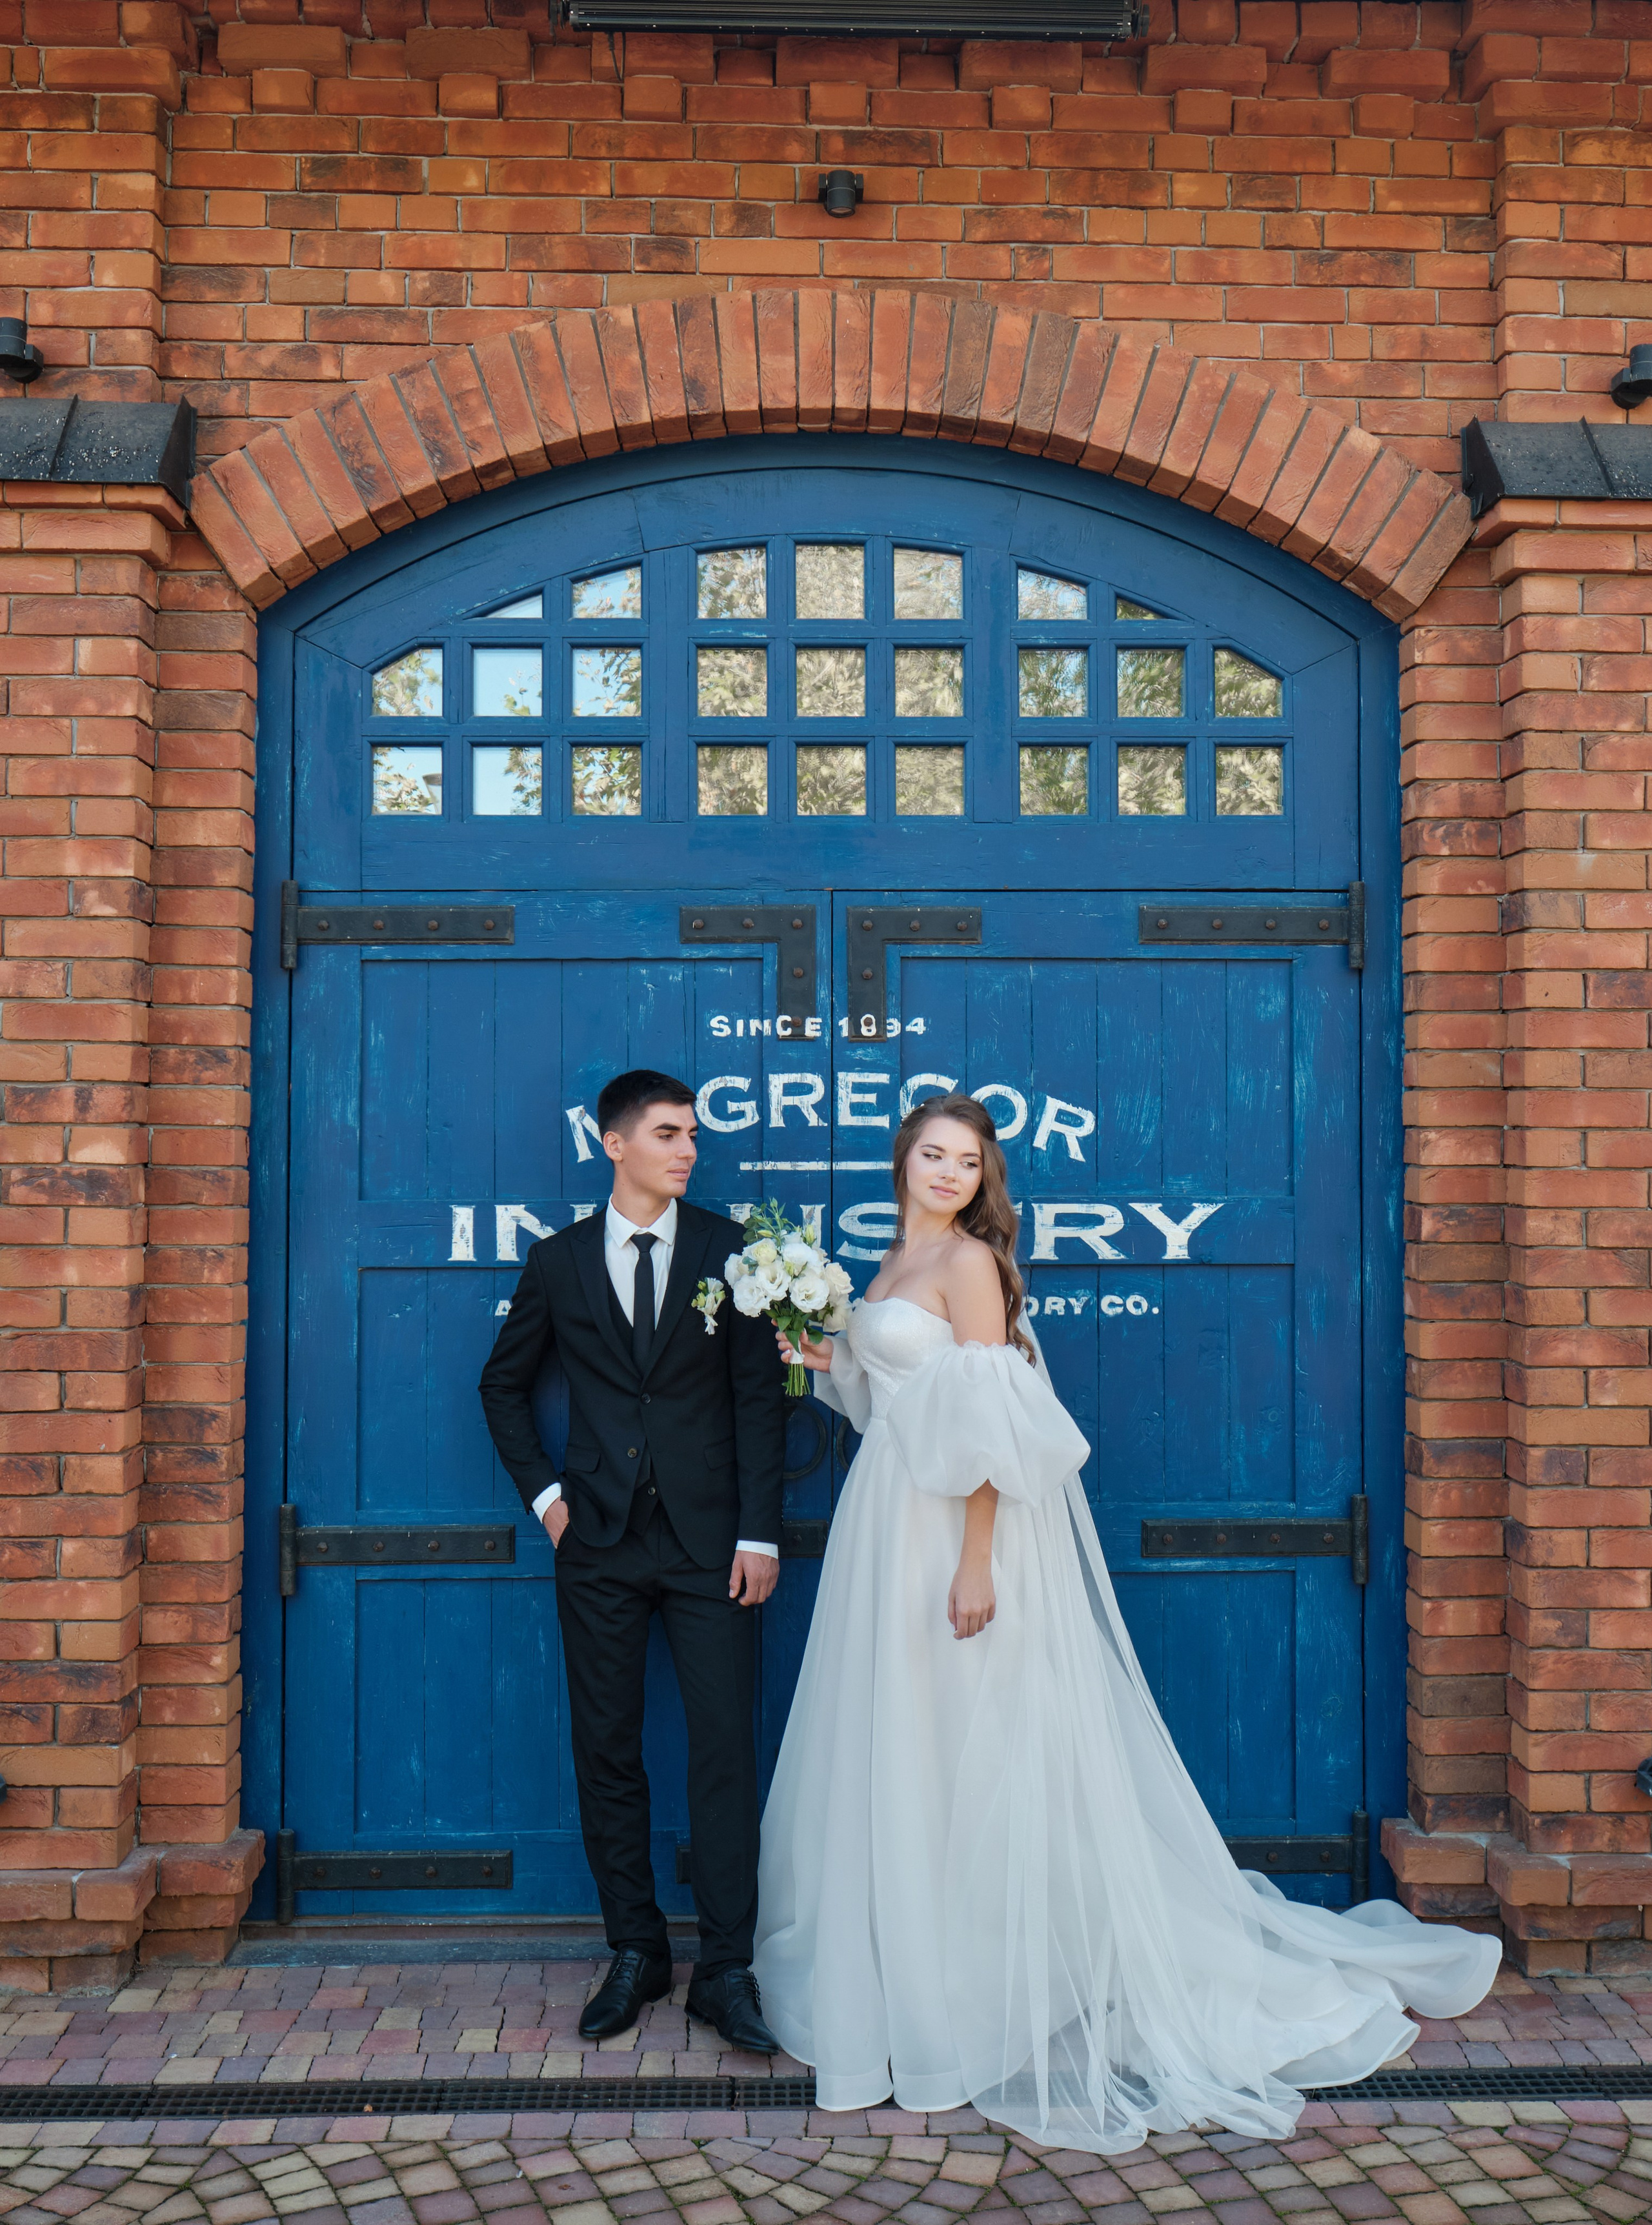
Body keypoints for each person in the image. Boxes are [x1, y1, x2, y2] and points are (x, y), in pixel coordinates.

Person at [756, 1091, 1501, 2152]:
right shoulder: (885, 1264)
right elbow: (899, 1408)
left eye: (967, 1162)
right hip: (886, 1516)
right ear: (903, 1160)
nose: (948, 1174)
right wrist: (822, 1357)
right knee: (903, 1742)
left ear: (983, 1178)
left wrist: (978, 1561)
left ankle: (982, 1989)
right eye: (933, 1155)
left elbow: (989, 1424)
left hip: (953, 1535)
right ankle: (908, 1977)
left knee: (972, 1740)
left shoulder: (970, 1265)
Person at [479, 1069, 785, 2053]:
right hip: (598, 1544)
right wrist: (548, 1501)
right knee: (607, 1749)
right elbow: (503, 1386)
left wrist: (758, 1533)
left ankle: (727, 1969)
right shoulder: (559, 1261)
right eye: (667, 1133)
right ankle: (637, 1950)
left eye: (692, 1134)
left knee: (723, 1752)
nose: (687, 1149)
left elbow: (757, 1401)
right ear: (614, 1144)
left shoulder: (729, 1252)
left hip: (709, 1548)